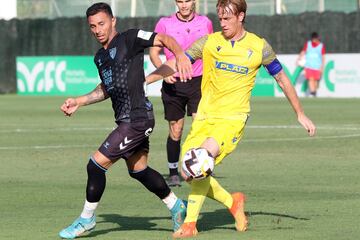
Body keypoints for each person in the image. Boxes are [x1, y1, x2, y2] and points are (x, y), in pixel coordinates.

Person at [146, 0, 316, 238]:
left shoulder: (259, 47)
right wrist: (145, 80)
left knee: (200, 160)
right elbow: (175, 62)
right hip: (205, 117)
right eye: (220, 18)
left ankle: (190, 225)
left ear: (241, 16)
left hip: (232, 120)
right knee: (188, 172)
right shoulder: (209, 42)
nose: (222, 23)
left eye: (227, 18)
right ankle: (232, 202)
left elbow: (282, 79)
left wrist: (300, 113)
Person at [58, 2, 192, 239]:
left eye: (102, 23)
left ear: (113, 21)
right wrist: (79, 100)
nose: (98, 29)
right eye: (93, 26)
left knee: (95, 165)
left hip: (137, 118)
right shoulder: (100, 57)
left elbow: (164, 38)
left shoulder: (130, 38)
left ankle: (86, 219)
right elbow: (107, 89)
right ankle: (175, 205)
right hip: (127, 120)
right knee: (138, 170)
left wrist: (179, 55)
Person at [149, 0, 213, 187]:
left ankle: (201, 169)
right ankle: (173, 172)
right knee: (176, 130)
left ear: (194, 1)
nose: (184, 5)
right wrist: (162, 71)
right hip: (174, 83)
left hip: (198, 82)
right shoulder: (164, 23)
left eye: (187, 1)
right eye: (180, 1)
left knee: (201, 127)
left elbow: (211, 51)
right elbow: (154, 52)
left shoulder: (205, 22)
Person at [297, 32, 326, 97]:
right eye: (313, 39)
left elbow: (323, 57)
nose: (314, 40)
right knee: (310, 79)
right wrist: (299, 58)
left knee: (315, 80)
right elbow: (303, 51)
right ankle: (312, 92)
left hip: (317, 66)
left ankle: (314, 91)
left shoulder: (321, 46)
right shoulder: (308, 44)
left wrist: (322, 66)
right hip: (308, 65)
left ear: (317, 38)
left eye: (315, 39)